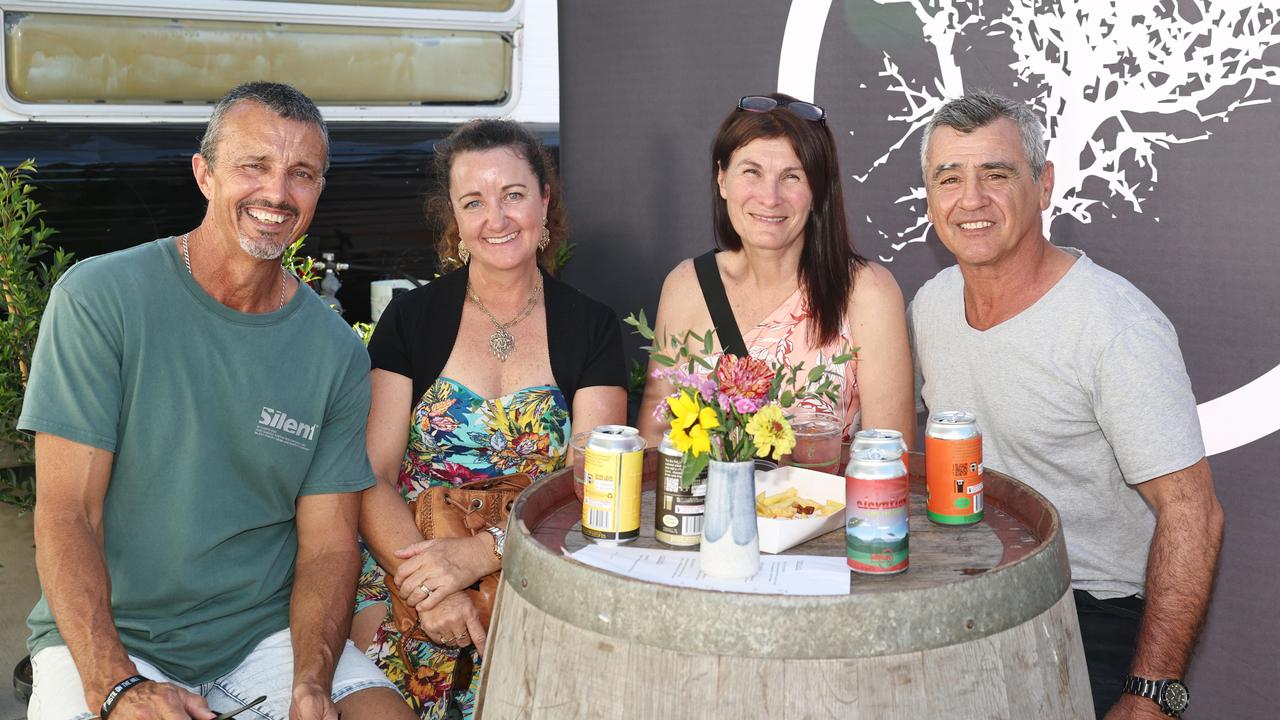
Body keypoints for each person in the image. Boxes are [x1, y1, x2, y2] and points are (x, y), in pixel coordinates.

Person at [18, 82, 414, 719]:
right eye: (253, 165)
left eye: (301, 174)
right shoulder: (101, 298)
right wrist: (114, 684)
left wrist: (312, 680)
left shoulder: (335, 350)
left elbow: (329, 547)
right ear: (204, 174)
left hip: (262, 632)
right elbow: (68, 514)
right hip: (115, 635)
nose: (277, 194)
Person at [909, 91, 1224, 719]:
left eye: (996, 174)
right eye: (950, 178)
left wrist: (1152, 695)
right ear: (929, 196)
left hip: (1090, 612)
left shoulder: (1115, 328)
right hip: (965, 596)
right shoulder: (932, 305)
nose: (970, 200)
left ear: (1044, 184)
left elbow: (1195, 514)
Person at [352, 119, 627, 718]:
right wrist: (430, 584)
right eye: (474, 201)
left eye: (514, 195)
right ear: (455, 217)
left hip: (534, 567)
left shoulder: (592, 328)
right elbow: (370, 474)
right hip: (406, 561)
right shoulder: (410, 320)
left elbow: (597, 485)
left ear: (545, 202)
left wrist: (484, 553)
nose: (496, 219)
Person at [637, 93, 915, 447]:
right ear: (721, 178)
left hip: (830, 503)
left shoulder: (867, 292)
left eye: (792, 177)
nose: (770, 197)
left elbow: (890, 459)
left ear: (818, 189)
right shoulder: (686, 286)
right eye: (751, 172)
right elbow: (656, 442)